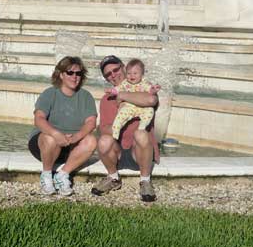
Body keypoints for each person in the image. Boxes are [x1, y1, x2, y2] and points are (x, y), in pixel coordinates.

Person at [92, 55, 160, 202]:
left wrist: (123, 96)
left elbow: (150, 100)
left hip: (140, 152)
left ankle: (145, 180)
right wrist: (120, 117)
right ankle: (113, 178)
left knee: (141, 134)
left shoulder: (143, 87)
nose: (113, 75)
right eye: (108, 74)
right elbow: (104, 129)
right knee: (103, 141)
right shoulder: (106, 99)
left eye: (115, 69)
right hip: (118, 154)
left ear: (123, 67)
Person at [28, 56, 97, 196]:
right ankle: (46, 175)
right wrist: (56, 134)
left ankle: (63, 174)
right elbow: (39, 119)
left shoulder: (86, 96)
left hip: (72, 146)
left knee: (91, 140)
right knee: (50, 139)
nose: (75, 77)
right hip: (46, 144)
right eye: (70, 73)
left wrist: (77, 136)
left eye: (78, 73)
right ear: (61, 74)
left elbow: (91, 122)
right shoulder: (50, 93)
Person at [106, 58, 160, 140]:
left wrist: (153, 90)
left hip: (143, 108)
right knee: (121, 115)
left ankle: (142, 127)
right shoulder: (125, 83)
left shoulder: (144, 83)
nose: (132, 76)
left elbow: (150, 92)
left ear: (142, 74)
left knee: (150, 111)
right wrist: (111, 91)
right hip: (130, 107)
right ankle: (116, 131)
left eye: (135, 73)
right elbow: (118, 89)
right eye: (129, 73)